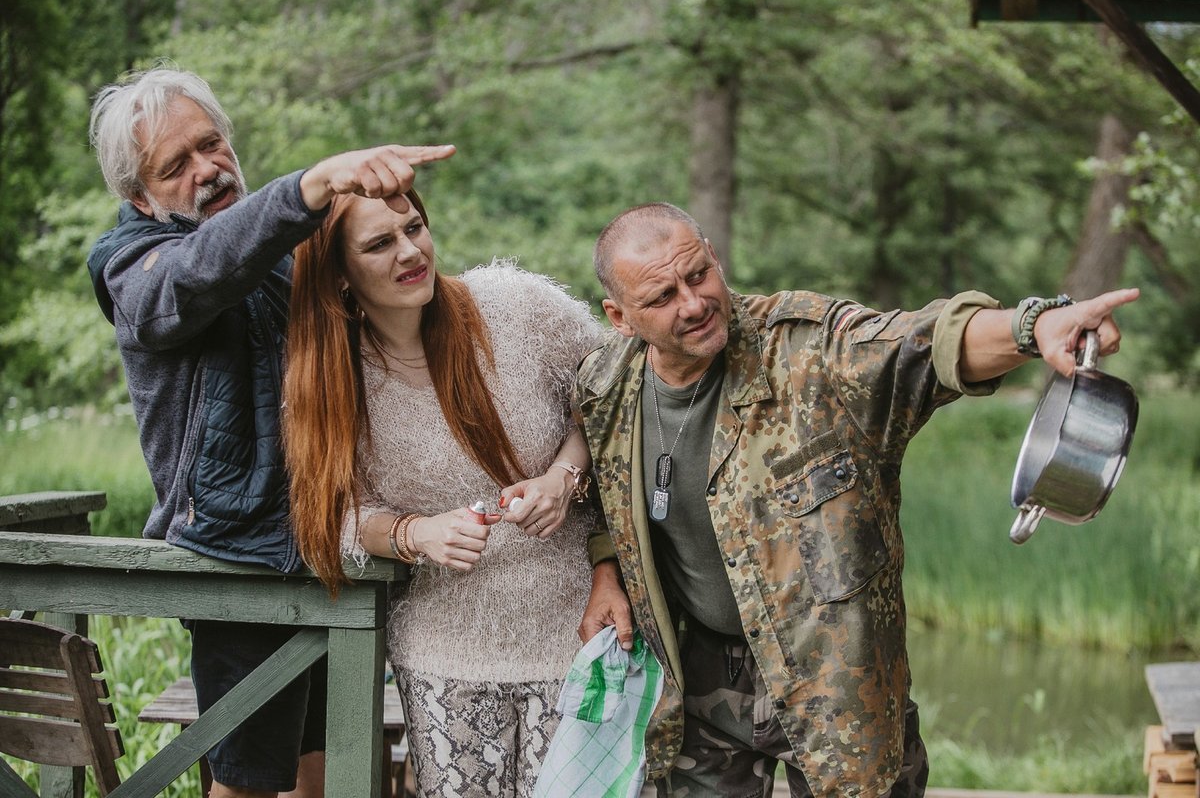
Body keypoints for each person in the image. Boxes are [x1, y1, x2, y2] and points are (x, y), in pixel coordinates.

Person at [574, 202, 1140, 798]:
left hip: (838, 684)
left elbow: (923, 343)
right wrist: (606, 563)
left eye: (697, 275)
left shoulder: (809, 350)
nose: (693, 303)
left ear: (714, 256)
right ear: (619, 316)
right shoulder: (605, 389)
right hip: (697, 687)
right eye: (662, 297)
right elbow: (605, 490)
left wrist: (1032, 328)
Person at [85, 65, 453, 798]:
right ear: (139, 195)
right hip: (235, 563)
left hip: (324, 549)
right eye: (175, 165)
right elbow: (190, 278)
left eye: (210, 144)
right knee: (249, 782)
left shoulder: (285, 248)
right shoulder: (130, 264)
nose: (208, 169)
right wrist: (309, 188)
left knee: (319, 772)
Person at [282, 189, 602, 797]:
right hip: (442, 654)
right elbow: (332, 516)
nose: (411, 251)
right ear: (340, 277)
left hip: (577, 634)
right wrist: (414, 534)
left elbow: (614, 398)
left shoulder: (519, 308)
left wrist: (565, 475)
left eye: (415, 227)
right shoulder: (331, 373)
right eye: (380, 243)